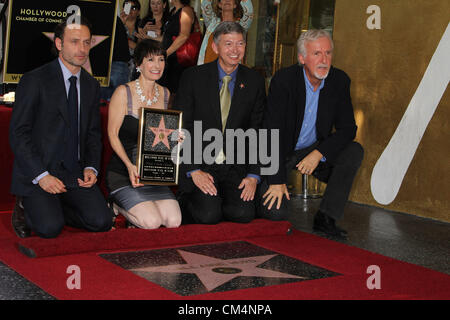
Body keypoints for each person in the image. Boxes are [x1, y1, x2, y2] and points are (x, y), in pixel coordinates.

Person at [9, 17, 114, 239]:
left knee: (102, 221)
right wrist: (42, 175)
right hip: (41, 171)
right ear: (59, 44)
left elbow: (94, 135)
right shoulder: (34, 80)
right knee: (49, 228)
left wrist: (91, 168)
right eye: (75, 42)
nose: (82, 49)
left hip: (74, 173)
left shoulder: (91, 85)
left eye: (86, 42)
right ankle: (25, 207)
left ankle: (56, 208)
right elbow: (18, 134)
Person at [259, 29, 364, 238]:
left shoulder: (339, 80)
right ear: (302, 58)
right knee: (274, 213)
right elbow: (271, 132)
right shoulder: (284, 80)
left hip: (312, 150)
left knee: (353, 151)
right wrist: (277, 180)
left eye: (328, 53)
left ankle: (326, 217)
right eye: (317, 54)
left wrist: (319, 153)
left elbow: (348, 129)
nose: (324, 60)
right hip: (281, 151)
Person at [174, 21, 265, 224]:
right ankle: (189, 200)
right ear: (215, 47)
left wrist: (253, 175)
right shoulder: (192, 77)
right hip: (201, 163)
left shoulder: (254, 81)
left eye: (240, 44)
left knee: (243, 214)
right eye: (228, 44)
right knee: (208, 216)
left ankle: (219, 200)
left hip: (235, 167)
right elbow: (182, 126)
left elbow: (257, 130)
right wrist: (193, 170)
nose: (235, 50)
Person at [106, 39, 181, 229]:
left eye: (161, 60)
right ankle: (115, 206)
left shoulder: (165, 94)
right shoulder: (123, 92)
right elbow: (112, 134)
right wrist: (130, 166)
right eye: (150, 60)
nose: (157, 65)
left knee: (174, 221)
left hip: (153, 174)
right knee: (151, 222)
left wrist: (177, 138)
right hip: (125, 172)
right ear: (138, 64)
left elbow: (162, 137)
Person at [159, 0, 197, 96]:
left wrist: (166, 53)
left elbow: (184, 35)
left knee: (175, 95)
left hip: (179, 60)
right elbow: (168, 37)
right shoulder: (173, 11)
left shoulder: (186, 10)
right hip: (170, 59)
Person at [197, 0, 253, 65]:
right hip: (208, 68)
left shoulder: (241, 26)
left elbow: (249, 12)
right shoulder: (212, 22)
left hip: (231, 71)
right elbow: (205, 5)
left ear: (235, 5)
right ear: (219, 4)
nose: (227, 0)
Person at [101, 16, 131, 101]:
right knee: (117, 102)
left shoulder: (112, 17)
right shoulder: (114, 17)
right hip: (116, 62)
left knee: (108, 102)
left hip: (114, 62)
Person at [120, 0, 142, 80]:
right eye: (128, 7)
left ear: (138, 12)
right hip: (120, 64)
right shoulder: (117, 24)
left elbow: (146, 48)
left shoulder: (143, 26)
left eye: (134, 8)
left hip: (137, 65)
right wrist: (121, 23)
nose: (130, 10)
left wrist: (136, 45)